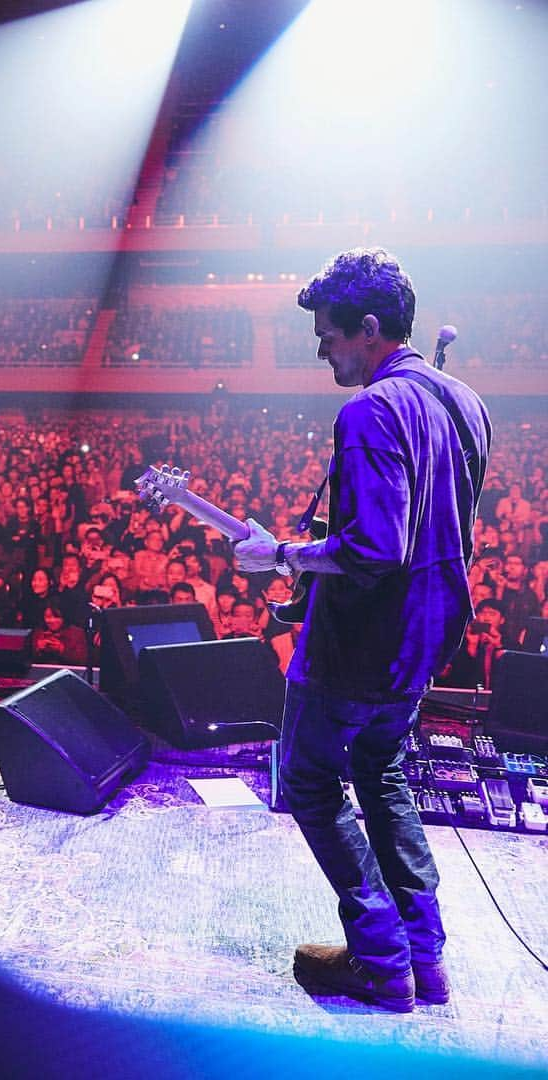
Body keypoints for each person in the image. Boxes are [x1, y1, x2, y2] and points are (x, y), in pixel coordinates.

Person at [233, 250, 491, 1011]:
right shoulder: (465, 400)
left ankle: (381, 958)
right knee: (379, 774)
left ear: (369, 329)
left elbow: (378, 549)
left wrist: (283, 553)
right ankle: (426, 954)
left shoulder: (371, 410)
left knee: (310, 780)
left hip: (361, 645)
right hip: (426, 640)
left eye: (328, 337)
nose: (322, 351)